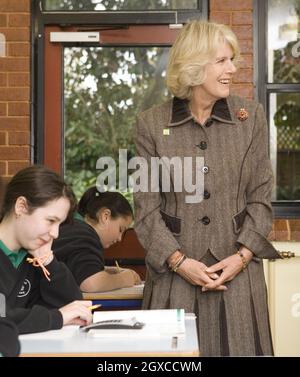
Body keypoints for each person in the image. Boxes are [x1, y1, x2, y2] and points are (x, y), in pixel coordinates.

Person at [133, 20, 281, 356]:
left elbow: (260, 199)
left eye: (232, 60)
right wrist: (180, 261)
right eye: (222, 61)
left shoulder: (251, 117)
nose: (232, 69)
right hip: (175, 276)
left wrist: (241, 258)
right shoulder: (151, 125)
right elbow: (145, 208)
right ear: (194, 66)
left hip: (238, 277)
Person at [0, 166, 93, 334]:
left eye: (59, 224)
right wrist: (56, 317)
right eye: (50, 220)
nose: (55, 234)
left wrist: (48, 263)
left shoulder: (29, 258)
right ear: (21, 206)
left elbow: (74, 309)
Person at [52, 187, 141, 292]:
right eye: (120, 229)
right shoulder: (85, 235)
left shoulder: (74, 226)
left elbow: (75, 268)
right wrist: (125, 278)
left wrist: (107, 270)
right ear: (105, 216)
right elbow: (90, 283)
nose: (119, 238)